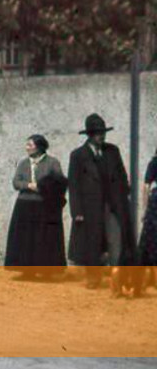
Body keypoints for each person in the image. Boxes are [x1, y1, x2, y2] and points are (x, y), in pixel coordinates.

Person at [67, 114, 135, 289]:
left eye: (103, 132)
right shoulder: (78, 155)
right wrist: (77, 212)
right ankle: (93, 277)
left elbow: (121, 174)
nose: (101, 136)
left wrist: (123, 194)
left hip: (113, 205)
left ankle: (118, 278)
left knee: (116, 240)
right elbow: (73, 185)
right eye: (97, 133)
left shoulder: (113, 151)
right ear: (89, 135)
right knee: (92, 242)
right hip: (90, 207)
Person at [4, 136, 67, 279]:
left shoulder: (52, 163)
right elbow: (16, 182)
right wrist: (28, 185)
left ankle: (46, 272)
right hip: (24, 205)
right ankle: (27, 271)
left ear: (39, 147)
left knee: (44, 238)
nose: (27, 147)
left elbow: (59, 182)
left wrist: (43, 188)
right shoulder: (23, 163)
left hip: (44, 206)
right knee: (26, 239)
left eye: (29, 145)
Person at [138, 152, 157, 287]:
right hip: (155, 206)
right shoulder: (154, 163)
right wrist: (145, 209)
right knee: (151, 242)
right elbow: (146, 186)